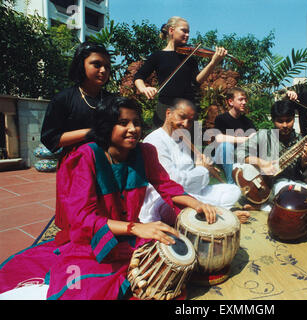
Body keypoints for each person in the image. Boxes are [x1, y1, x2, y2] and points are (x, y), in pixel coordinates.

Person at [0, 96, 218, 300]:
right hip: (94, 239)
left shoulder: (146, 152)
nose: (133, 129)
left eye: (136, 122)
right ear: (106, 126)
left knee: (169, 262)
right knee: (85, 288)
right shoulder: (86, 156)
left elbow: (166, 185)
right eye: (123, 122)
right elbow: (81, 218)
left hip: (129, 234)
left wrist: (197, 204)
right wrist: (134, 228)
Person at [143, 98, 250, 223]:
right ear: (168, 113)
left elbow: (189, 172)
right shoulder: (155, 141)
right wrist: (202, 170)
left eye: (190, 121)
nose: (185, 124)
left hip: (192, 191)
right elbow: (173, 182)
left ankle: (212, 212)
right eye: (182, 117)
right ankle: (222, 214)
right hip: (168, 197)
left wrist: (201, 165)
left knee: (233, 191)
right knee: (170, 207)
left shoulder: (183, 138)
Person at [134, 16, 228, 127]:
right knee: (163, 142)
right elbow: (139, 76)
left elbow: (196, 81)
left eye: (188, 32)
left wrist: (213, 62)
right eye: (184, 31)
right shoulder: (158, 56)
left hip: (190, 107)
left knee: (194, 142)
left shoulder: (190, 57)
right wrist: (144, 88)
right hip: (166, 108)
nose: (187, 35)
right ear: (171, 31)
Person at [236, 100, 307, 211]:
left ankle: (264, 207)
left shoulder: (300, 140)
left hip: (295, 183)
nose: (285, 125)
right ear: (273, 120)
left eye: (289, 120)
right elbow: (238, 152)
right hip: (271, 186)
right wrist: (260, 162)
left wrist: (305, 161)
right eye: (280, 121)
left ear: (294, 119)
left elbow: (305, 175)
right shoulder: (263, 136)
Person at [40, 41, 113, 155]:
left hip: (108, 164)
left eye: (107, 67)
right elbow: (50, 138)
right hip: (75, 165)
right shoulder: (63, 99)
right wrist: (89, 133)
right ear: (81, 65)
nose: (103, 70)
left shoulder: (112, 100)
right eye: (97, 65)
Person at [213, 87, 256, 184]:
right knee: (226, 145)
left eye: (245, 99)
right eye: (241, 99)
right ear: (231, 102)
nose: (244, 102)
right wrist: (245, 139)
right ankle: (231, 182)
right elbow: (219, 138)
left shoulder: (247, 121)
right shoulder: (221, 119)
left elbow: (254, 137)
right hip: (221, 155)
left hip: (239, 155)